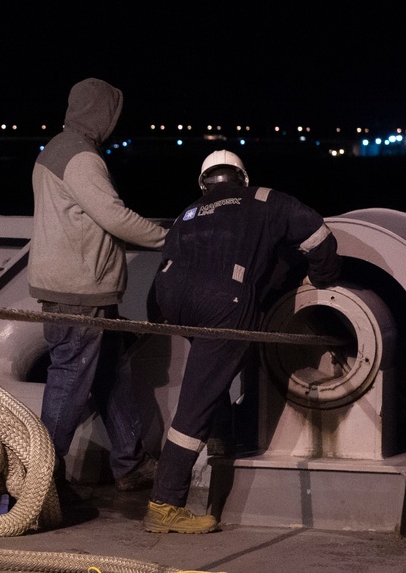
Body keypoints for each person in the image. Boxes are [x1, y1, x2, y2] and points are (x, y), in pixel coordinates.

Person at [143, 149, 343, 534]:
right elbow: (318, 233)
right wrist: (323, 277)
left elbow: (164, 271)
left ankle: (222, 438)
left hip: (172, 301)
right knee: (195, 403)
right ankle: (165, 503)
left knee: (209, 373)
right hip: (223, 303)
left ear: (204, 184)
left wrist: (160, 316)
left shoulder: (189, 212)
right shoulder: (264, 199)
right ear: (242, 177)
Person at [29, 77, 168, 502]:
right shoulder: (83, 158)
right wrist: (172, 236)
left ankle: (129, 463)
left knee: (111, 373)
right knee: (70, 378)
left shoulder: (55, 148)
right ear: (102, 113)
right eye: (113, 113)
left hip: (67, 285)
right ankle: (43, 475)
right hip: (80, 291)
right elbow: (115, 216)